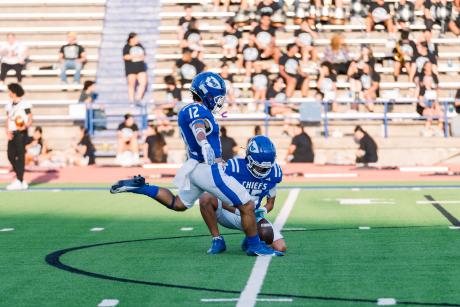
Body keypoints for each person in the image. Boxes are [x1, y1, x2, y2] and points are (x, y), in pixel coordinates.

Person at [110, 72, 283, 257]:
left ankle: (142, 188)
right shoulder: (198, 111)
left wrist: (209, 148)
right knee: (247, 205)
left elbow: (199, 126)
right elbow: (198, 126)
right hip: (206, 169)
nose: (220, 102)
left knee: (179, 203)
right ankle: (254, 246)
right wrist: (204, 142)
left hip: (192, 166)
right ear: (208, 95)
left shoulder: (188, 109)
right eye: (217, 97)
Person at [199, 135, 286, 254]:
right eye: (260, 167)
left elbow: (270, 203)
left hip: (253, 217)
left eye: (266, 168)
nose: (263, 171)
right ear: (249, 159)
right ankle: (217, 239)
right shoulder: (234, 167)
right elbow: (222, 199)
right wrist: (241, 211)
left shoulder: (274, 173)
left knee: (281, 247)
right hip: (228, 212)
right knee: (206, 197)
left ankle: (250, 240)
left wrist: (262, 211)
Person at [5, 83, 32, 190]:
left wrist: (25, 126)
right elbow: (7, 119)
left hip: (21, 133)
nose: (8, 93)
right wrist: (7, 131)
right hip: (12, 132)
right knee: (10, 155)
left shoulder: (24, 104)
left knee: (20, 156)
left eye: (10, 91)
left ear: (14, 92)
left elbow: (30, 117)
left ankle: (19, 180)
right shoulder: (9, 105)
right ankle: (20, 179)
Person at [123, 32, 147, 103]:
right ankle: (131, 101)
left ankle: (138, 98)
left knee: (143, 83)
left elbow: (143, 55)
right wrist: (136, 56)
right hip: (131, 68)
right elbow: (126, 57)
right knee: (131, 85)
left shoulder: (140, 45)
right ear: (131, 39)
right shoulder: (127, 47)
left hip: (140, 67)